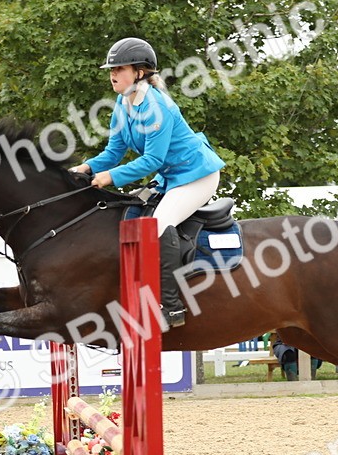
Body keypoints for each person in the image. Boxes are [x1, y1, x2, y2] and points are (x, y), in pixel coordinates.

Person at [70, 37, 226, 328]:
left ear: (140, 72)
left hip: (197, 176)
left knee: (159, 223)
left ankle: (171, 307)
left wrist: (110, 177)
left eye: (120, 68)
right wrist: (87, 167)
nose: (112, 74)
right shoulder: (123, 102)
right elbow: (114, 151)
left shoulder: (157, 106)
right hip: (170, 177)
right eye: (111, 69)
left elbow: (152, 160)